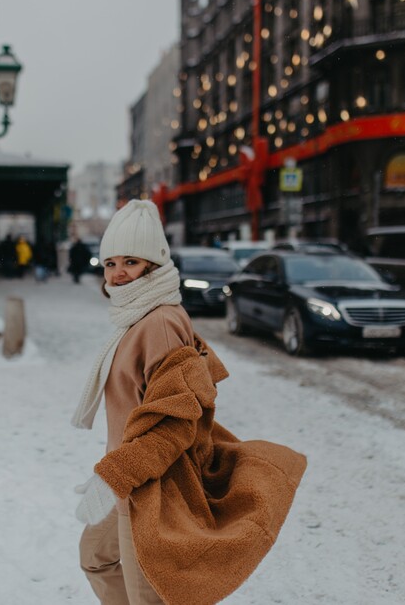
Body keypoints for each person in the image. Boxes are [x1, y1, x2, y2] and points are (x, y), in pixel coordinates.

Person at [72, 200, 307, 605]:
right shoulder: (136, 316)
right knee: (96, 556)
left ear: (154, 264)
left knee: (151, 596)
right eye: (110, 262)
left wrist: (115, 474)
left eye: (131, 260)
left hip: (149, 482)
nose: (118, 272)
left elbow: (177, 423)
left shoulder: (160, 322)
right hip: (129, 474)